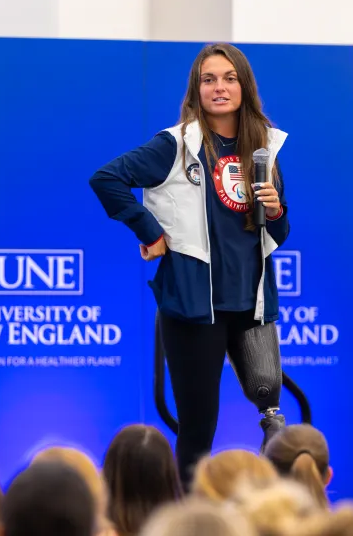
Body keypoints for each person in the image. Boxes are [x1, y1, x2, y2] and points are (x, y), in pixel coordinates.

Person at [89, 42, 291, 487]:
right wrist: (150, 230)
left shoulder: (264, 146)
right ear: (196, 89)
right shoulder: (175, 144)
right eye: (208, 79)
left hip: (250, 303)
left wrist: (275, 212)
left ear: (244, 85)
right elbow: (107, 178)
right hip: (195, 307)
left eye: (228, 78)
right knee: (199, 431)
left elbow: (277, 234)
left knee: (274, 419)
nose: (219, 87)